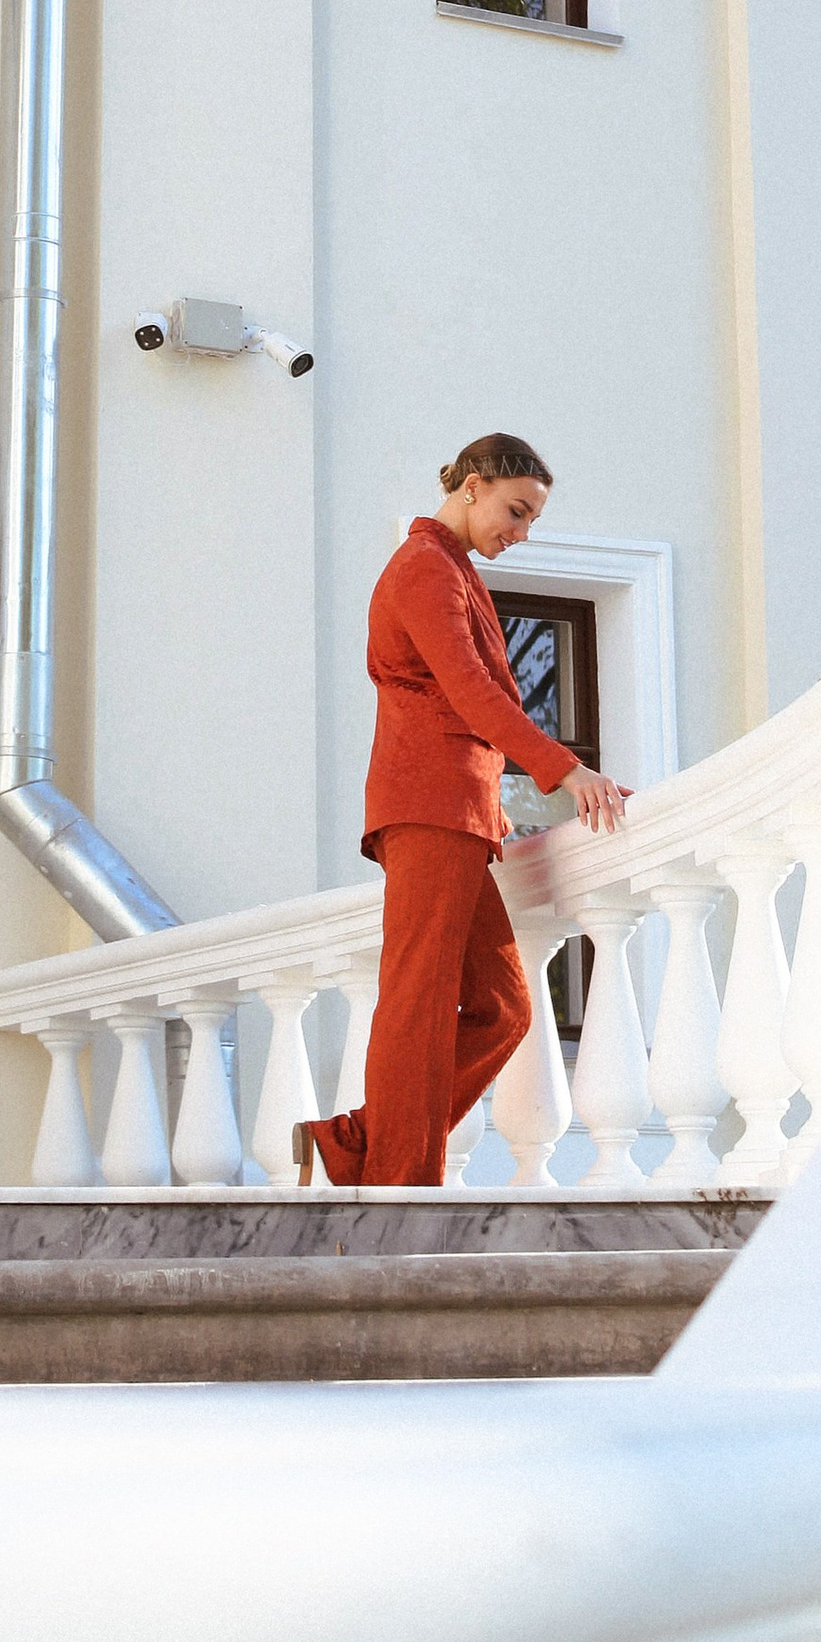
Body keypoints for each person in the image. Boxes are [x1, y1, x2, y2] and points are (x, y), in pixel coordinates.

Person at [303, 432, 628, 1189]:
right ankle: (396, 1185)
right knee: (417, 1000)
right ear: (473, 486)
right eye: (516, 511)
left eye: (531, 520)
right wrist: (566, 768)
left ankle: (358, 1144)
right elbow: (473, 695)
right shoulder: (423, 569)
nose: (520, 532)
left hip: (460, 815)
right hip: (429, 807)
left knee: (506, 1006)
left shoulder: (448, 568)